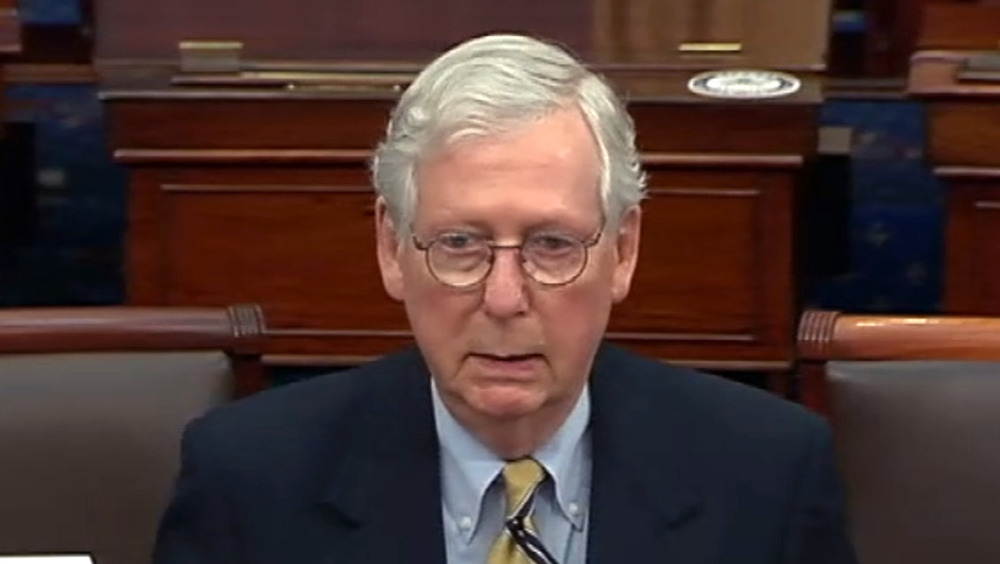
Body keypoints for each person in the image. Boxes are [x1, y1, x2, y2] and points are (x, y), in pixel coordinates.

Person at [153, 33, 857, 564]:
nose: (504, 297)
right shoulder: (249, 480)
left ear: (624, 250)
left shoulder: (768, 473)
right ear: (392, 248)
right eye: (460, 244)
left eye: (553, 245)